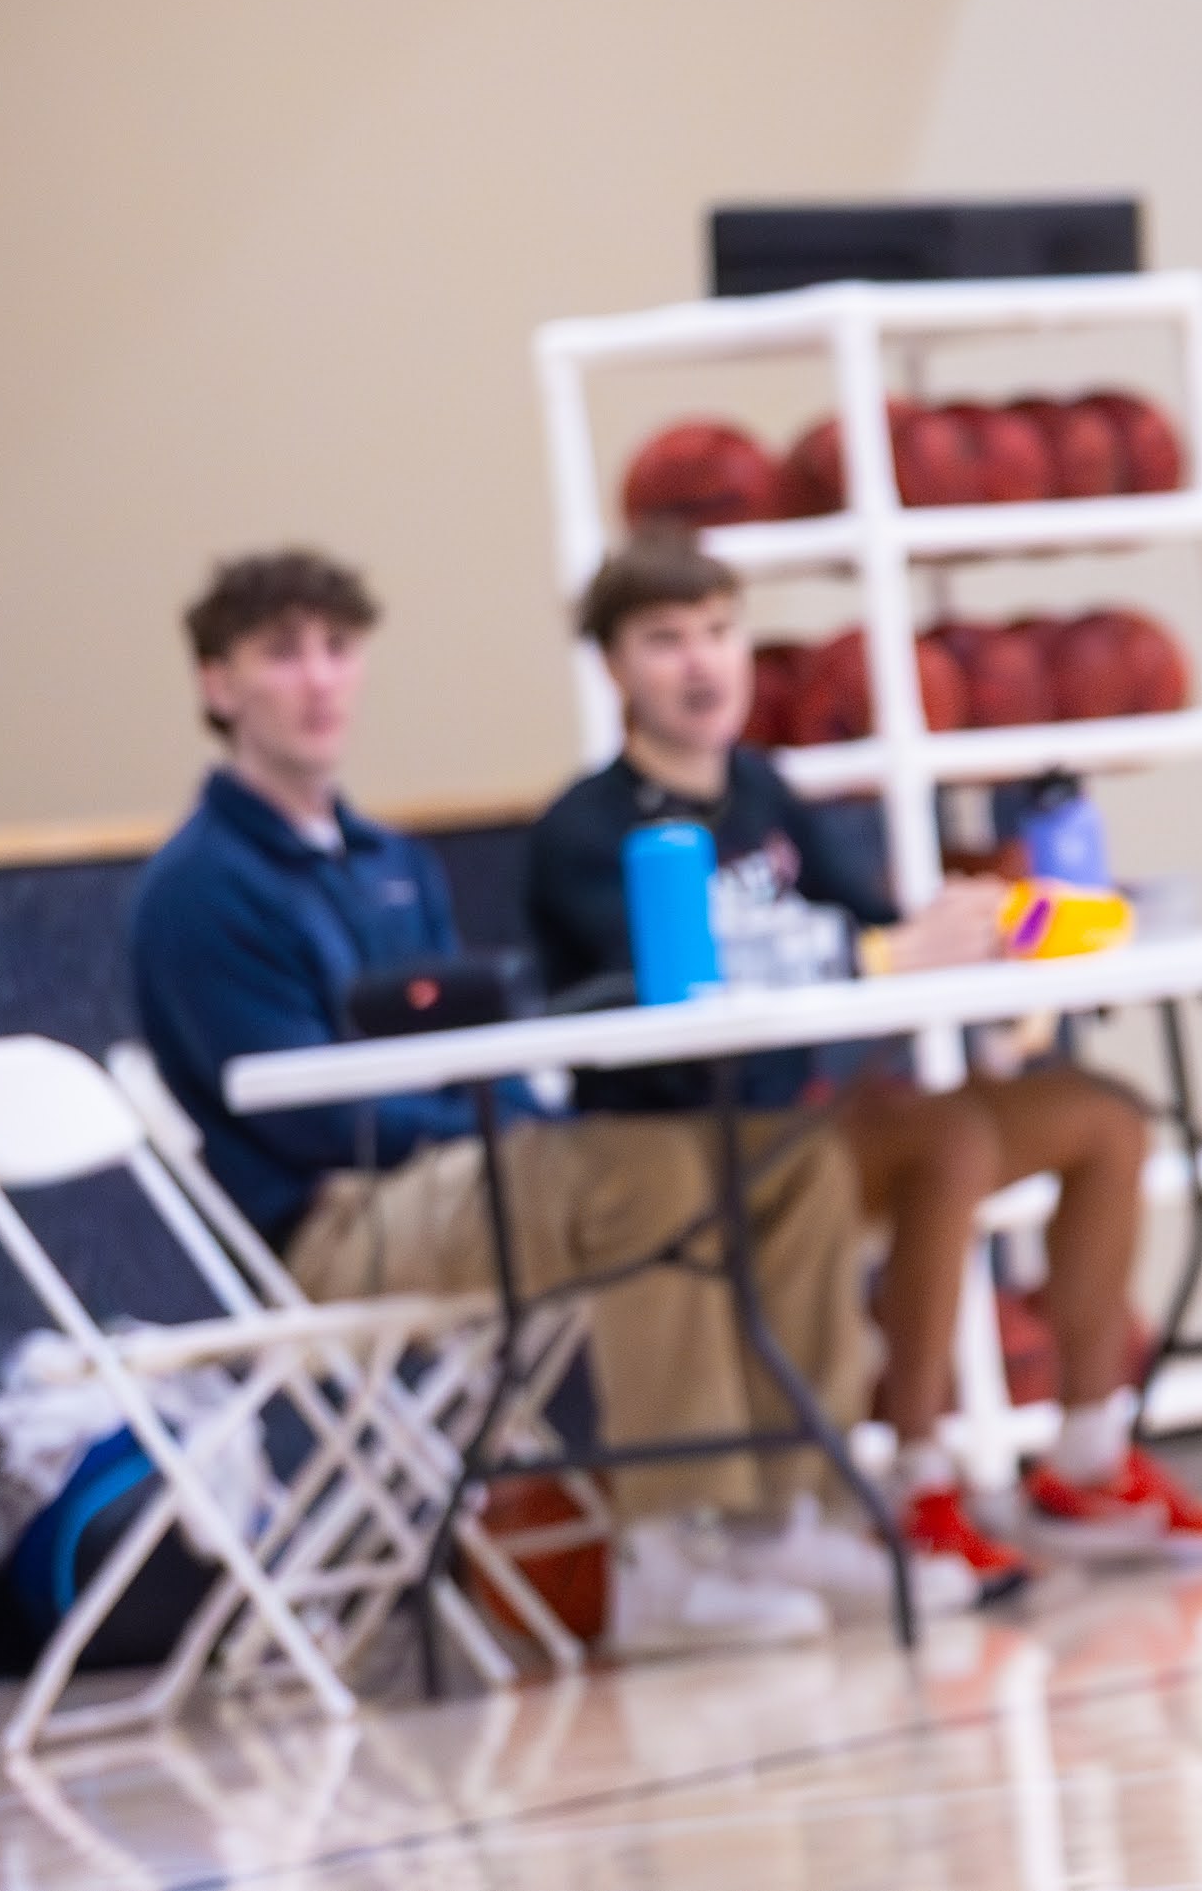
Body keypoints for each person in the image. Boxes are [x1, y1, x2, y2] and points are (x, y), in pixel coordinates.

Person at [127, 548, 869, 1649]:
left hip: (457, 1172)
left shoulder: (390, 859)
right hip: (334, 1221)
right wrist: (514, 1121)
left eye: (337, 649)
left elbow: (475, 1037)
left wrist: (521, 1109)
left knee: (787, 1155)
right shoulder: (200, 887)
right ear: (217, 685)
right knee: (648, 1169)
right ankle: (666, 1550)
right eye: (281, 655)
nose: (319, 678)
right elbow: (306, 1113)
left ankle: (782, 1513)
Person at [524, 538, 1202, 1605]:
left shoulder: (765, 790)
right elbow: (663, 990)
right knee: (947, 1144)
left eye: (719, 633)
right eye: (665, 640)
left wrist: (987, 930)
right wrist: (875, 951)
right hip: (688, 1136)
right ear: (614, 668)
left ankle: (1091, 1454)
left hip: (800, 1113)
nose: (700, 663)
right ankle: (914, 1475)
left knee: (1103, 1115)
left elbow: (874, 933)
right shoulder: (585, 830)